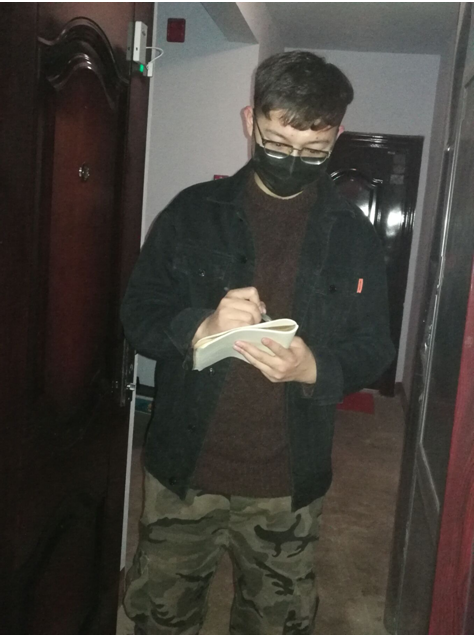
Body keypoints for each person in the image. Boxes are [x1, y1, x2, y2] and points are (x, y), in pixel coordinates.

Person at [121, 50, 395, 635]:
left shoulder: (355, 237)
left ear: (337, 134)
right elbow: (137, 315)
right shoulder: (192, 212)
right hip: (183, 474)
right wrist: (200, 326)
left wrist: (314, 367)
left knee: (277, 626)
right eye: (277, 142)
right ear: (251, 120)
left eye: (314, 150)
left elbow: (376, 345)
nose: (293, 161)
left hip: (287, 483)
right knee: (160, 620)